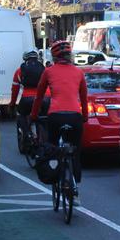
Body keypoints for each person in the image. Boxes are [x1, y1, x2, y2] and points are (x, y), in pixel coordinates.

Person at [30, 40, 88, 194]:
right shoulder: (79, 72)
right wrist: (85, 117)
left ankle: (55, 176)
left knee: (52, 148)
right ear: (70, 55)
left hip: (55, 116)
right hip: (75, 116)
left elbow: (39, 96)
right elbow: (84, 98)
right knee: (75, 152)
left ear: (54, 56)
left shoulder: (48, 71)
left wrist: (34, 116)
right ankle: (75, 188)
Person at [10, 49, 50, 144]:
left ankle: (27, 134)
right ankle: (47, 136)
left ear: (25, 58)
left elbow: (15, 90)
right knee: (46, 118)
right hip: (45, 98)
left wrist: (12, 104)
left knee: (21, 115)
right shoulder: (45, 69)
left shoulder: (19, 71)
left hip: (27, 99)